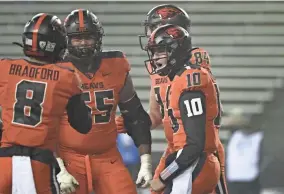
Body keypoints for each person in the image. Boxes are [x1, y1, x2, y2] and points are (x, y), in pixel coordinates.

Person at [116, 4, 227, 194]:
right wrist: (132, 123)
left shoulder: (193, 63)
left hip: (200, 146)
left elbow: (204, 109)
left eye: (155, 29)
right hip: (175, 147)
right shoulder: (160, 66)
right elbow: (156, 116)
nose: (151, 35)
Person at [56, 9, 152, 194]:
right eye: (77, 38)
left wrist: (146, 162)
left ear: (98, 38)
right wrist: (59, 168)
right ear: (67, 40)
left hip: (107, 156)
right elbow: (45, 125)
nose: (83, 43)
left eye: (88, 37)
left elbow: (135, 116)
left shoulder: (115, 65)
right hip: (68, 157)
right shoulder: (56, 69)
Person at [0, 13, 92, 194]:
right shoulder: (66, 77)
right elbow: (83, 125)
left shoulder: (4, 67)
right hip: (37, 164)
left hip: (3, 161)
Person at [145, 24, 220, 194]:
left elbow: (194, 145)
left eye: (159, 51)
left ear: (175, 50)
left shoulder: (190, 81)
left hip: (195, 163)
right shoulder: (178, 78)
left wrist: (164, 176)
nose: (155, 58)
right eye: (153, 52)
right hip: (188, 160)